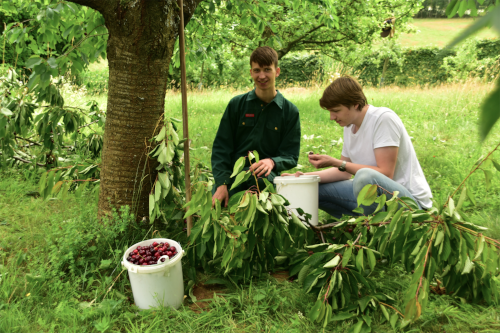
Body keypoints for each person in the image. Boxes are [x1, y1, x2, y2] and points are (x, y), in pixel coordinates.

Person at [283, 76, 432, 218]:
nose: (331, 117)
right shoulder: (350, 126)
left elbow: (385, 174)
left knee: (364, 176)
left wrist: (337, 162)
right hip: (375, 198)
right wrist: (302, 178)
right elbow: (343, 172)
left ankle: (371, 231)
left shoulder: (383, 119)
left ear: (355, 104)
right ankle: (360, 224)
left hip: (407, 203)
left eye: (336, 111)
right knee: (312, 189)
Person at [211, 46, 301, 207]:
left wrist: (272, 162)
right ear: (251, 72)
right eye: (257, 70)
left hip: (266, 180)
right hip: (233, 178)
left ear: (277, 71)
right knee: (221, 218)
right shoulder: (236, 105)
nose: (262, 76)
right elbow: (221, 149)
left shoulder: (289, 111)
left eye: (267, 69)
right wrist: (221, 183)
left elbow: (291, 156)